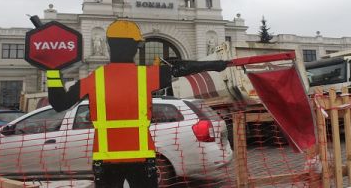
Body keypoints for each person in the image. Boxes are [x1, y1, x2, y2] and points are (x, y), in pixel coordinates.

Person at [45, 20, 229, 188]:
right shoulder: (145, 76)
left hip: (105, 159)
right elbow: (181, 68)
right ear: (132, 47)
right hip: (142, 158)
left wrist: (52, 70)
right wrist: (216, 64)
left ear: (109, 45)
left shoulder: (95, 79)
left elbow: (60, 102)